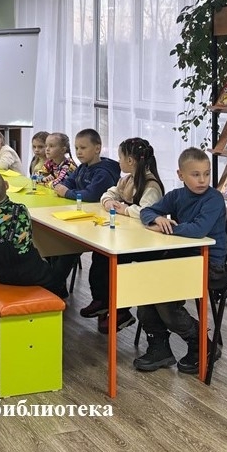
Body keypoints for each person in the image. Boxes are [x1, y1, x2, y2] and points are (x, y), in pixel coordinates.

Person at [135, 147, 226, 373]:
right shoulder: (177, 195)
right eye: (195, 174)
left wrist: (167, 229)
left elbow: (198, 230)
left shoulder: (214, 199)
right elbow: (147, 211)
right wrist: (156, 218)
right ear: (180, 175)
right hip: (183, 256)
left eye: (206, 174)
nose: (202, 180)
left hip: (208, 263)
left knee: (164, 298)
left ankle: (202, 344)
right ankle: (159, 348)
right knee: (145, 289)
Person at [81, 138, 166, 333]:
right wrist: (109, 202)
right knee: (100, 255)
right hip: (129, 237)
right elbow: (108, 193)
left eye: (120, 157)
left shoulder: (151, 186)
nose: (118, 161)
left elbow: (147, 212)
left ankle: (122, 310)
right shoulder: (127, 180)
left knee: (118, 263)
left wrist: (125, 209)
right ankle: (102, 301)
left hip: (146, 244)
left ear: (130, 161)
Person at [0, 170, 65, 297]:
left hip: (1, 273)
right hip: (30, 270)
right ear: (6, 185)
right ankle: (59, 302)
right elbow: (28, 238)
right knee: (57, 281)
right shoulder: (21, 209)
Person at [51, 129, 120, 297]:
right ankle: (57, 287)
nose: (78, 152)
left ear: (97, 148)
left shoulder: (103, 173)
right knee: (53, 244)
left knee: (67, 249)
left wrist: (67, 193)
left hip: (97, 226)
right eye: (76, 148)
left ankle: (53, 286)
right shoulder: (82, 167)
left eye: (83, 148)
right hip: (79, 219)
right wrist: (65, 189)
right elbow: (68, 182)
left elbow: (91, 195)